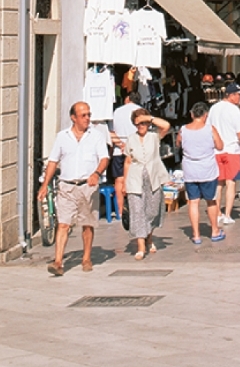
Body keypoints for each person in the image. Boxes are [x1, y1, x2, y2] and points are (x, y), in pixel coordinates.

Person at [39, 102, 109, 276]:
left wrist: (97, 173)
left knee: (87, 224)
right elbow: (53, 161)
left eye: (88, 114)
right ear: (73, 118)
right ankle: (58, 262)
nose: (87, 118)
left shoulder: (96, 136)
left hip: (87, 186)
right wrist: (45, 185)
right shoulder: (62, 137)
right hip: (67, 186)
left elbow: (104, 158)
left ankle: (86, 258)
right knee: (63, 224)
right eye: (83, 115)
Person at [122, 109, 172, 260]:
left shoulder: (154, 136)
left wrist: (149, 118)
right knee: (137, 211)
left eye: (143, 123)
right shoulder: (131, 139)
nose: (141, 126)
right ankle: (141, 247)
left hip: (153, 178)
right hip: (135, 178)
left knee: (151, 211)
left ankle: (149, 237)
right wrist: (124, 183)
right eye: (138, 123)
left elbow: (166, 126)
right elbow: (128, 161)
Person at [176, 102, 226, 244]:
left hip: (190, 171)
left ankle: (196, 235)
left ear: (192, 114)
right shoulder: (210, 129)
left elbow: (178, 144)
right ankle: (215, 231)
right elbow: (220, 146)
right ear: (205, 115)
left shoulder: (183, 130)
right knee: (211, 201)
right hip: (207, 170)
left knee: (193, 202)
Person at [208, 83, 240, 225]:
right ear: (231, 95)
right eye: (239, 95)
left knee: (218, 183)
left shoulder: (213, 108)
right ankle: (227, 214)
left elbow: (209, 128)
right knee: (231, 182)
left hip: (216, 150)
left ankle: (218, 213)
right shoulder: (234, 110)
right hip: (232, 149)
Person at [109, 92, 142, 221]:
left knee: (119, 180)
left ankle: (121, 212)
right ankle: (136, 210)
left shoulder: (117, 111)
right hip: (136, 149)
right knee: (137, 179)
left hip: (119, 150)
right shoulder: (141, 111)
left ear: (127, 99)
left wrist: (121, 144)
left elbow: (111, 131)